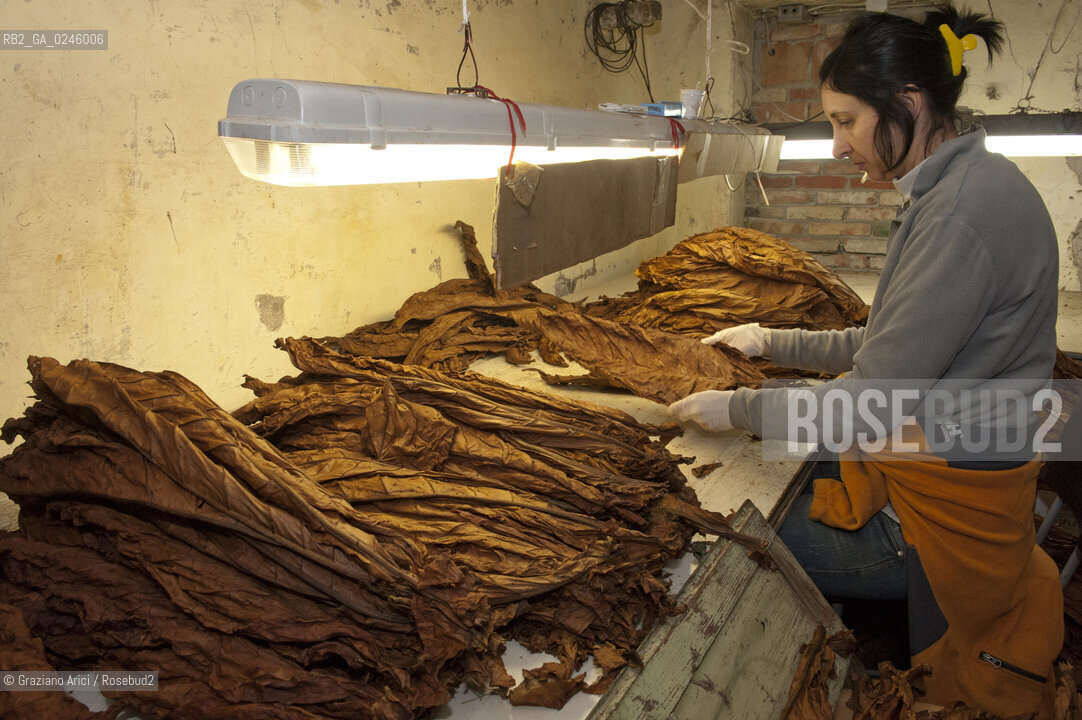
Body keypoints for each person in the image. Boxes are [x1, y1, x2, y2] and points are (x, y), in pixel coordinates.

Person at [668, 5, 1064, 716]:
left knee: (715, 529)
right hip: (952, 471)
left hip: (942, 520)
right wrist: (774, 340)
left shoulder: (960, 215)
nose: (838, 145)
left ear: (907, 105)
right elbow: (887, 343)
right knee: (784, 474)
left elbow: (866, 401)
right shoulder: (960, 189)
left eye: (845, 121)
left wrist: (737, 411)